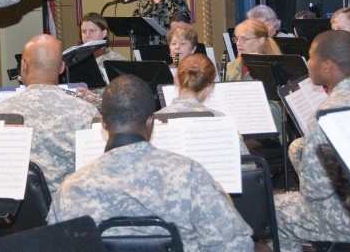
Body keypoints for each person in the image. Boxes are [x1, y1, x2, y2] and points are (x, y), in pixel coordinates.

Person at [48, 75, 254, 252]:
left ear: (103, 122)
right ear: (150, 121)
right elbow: (237, 245)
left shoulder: (70, 189)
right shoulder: (190, 175)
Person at [276, 30, 350, 251]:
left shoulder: (326, 114)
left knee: (277, 208)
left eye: (312, 57)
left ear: (328, 66)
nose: (309, 63)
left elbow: (315, 191)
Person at [0, 34, 99, 192]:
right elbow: (95, 172)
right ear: (62, 67)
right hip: (67, 209)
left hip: (18, 211)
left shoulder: (2, 111)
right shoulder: (85, 111)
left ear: (23, 66)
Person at [226, 18, 283, 142]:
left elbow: (276, 109)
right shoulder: (230, 66)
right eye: (236, 38)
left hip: (268, 135)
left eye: (244, 39)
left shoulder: (272, 67)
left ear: (261, 40)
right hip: (238, 129)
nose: (238, 43)